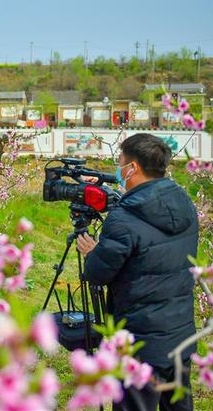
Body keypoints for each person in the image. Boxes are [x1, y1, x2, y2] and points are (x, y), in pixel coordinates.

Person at [77, 133, 198, 411]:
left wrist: (93, 252)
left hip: (141, 344)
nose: (118, 168)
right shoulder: (184, 203)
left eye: (120, 162)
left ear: (133, 168)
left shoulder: (124, 218)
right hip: (179, 333)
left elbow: (97, 273)